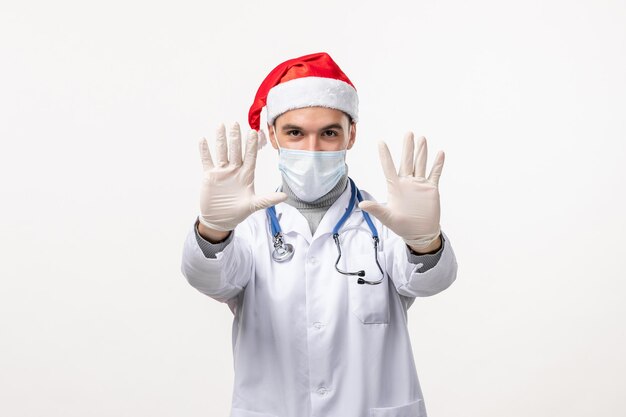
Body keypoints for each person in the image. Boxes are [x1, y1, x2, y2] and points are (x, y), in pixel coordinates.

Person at [181, 52, 458, 417]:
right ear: (273, 136)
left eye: (329, 133)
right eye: (295, 133)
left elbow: (429, 282)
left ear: (351, 134)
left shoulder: (385, 225)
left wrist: (424, 242)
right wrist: (214, 229)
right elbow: (208, 277)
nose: (312, 149)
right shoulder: (248, 231)